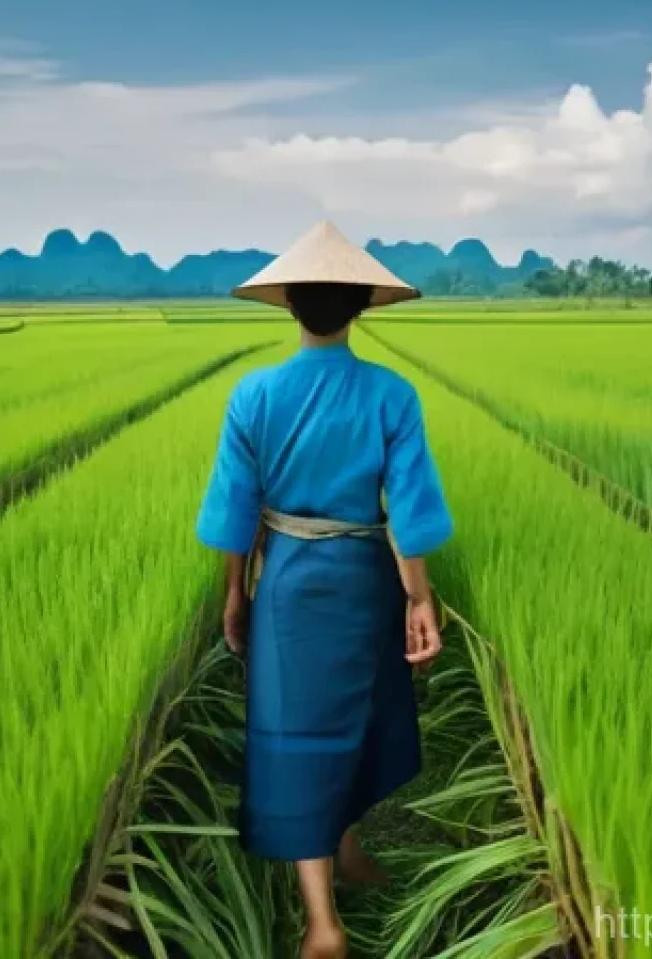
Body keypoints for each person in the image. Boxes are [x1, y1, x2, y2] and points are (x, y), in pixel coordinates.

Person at [195, 221, 454, 959]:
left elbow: (235, 510)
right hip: (366, 579)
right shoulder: (391, 394)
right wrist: (419, 599)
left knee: (298, 731)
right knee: (358, 717)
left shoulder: (254, 394)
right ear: (362, 307)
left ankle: (325, 908)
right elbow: (409, 514)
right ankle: (333, 896)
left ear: (289, 305)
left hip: (287, 584)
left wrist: (236, 594)